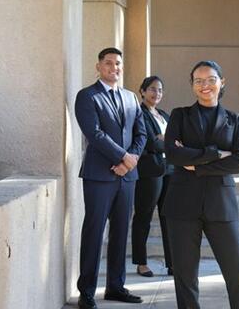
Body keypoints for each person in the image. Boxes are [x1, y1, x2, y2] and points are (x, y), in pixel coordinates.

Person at [163, 61, 239, 309]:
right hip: (181, 206)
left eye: (211, 79)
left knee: (237, 273)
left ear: (222, 82)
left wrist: (197, 165)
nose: (205, 85)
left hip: (221, 205)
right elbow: (173, 154)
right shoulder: (180, 115)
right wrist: (216, 153)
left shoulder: (235, 119)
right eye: (199, 81)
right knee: (185, 277)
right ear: (192, 85)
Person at [74, 47, 147, 309]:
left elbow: (142, 134)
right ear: (98, 66)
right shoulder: (87, 96)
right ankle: (87, 292)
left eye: (117, 63)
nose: (113, 67)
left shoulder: (130, 97)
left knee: (120, 232)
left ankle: (115, 286)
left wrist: (131, 160)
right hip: (98, 176)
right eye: (108, 63)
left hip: (127, 176)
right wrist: (122, 158)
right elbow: (94, 133)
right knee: (94, 232)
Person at [131, 76, 173, 277]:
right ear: (142, 91)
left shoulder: (164, 114)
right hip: (149, 172)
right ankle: (141, 263)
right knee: (143, 216)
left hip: (169, 170)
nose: (157, 94)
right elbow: (150, 143)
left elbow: (176, 139)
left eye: (160, 90)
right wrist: (167, 141)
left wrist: (166, 140)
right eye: (153, 89)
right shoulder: (138, 113)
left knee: (169, 217)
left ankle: (172, 263)